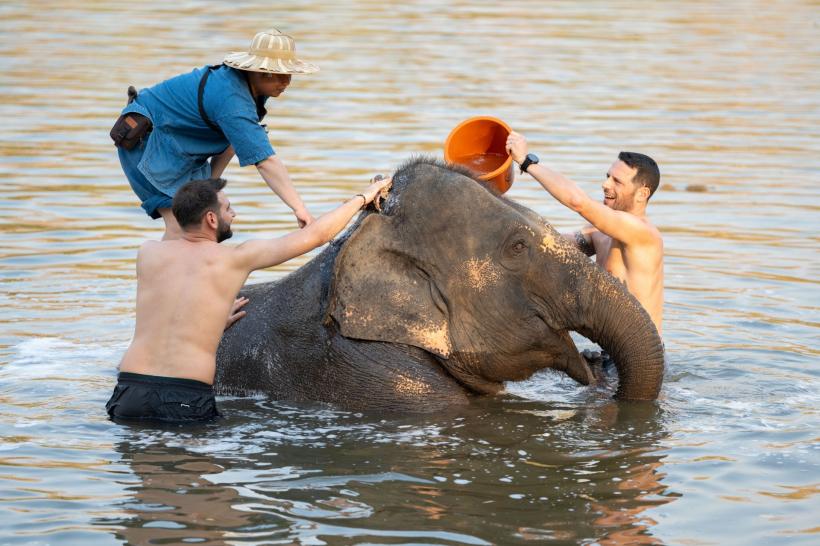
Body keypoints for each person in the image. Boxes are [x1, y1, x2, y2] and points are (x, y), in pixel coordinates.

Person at [105, 175, 392, 423]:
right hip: (185, 394)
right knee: (195, 470)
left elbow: (170, 306)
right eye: (228, 208)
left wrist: (211, 319)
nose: (234, 214)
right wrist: (364, 197)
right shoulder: (235, 258)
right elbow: (316, 235)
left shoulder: (148, 252)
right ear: (211, 219)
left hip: (129, 392)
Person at [112, 29, 319, 240]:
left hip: (177, 141)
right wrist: (299, 208)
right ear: (257, 71)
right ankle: (165, 261)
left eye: (289, 74)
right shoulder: (232, 100)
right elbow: (265, 162)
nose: (286, 82)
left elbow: (233, 142)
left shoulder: (249, 90)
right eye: (279, 75)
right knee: (184, 226)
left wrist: (208, 186)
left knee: (204, 214)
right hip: (147, 143)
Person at [506, 131, 664, 334]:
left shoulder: (643, 233)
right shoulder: (598, 233)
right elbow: (549, 244)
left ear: (642, 193)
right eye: (608, 177)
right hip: (607, 348)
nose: (605, 184)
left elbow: (578, 202)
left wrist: (526, 162)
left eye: (617, 181)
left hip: (641, 352)